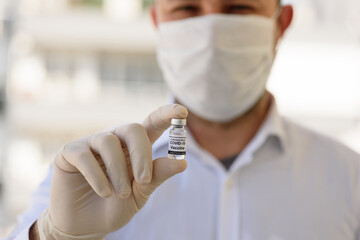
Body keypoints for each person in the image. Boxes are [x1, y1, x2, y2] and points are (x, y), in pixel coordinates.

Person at [6, 0, 360, 239]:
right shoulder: (87, 176)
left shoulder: (349, 179)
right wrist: (52, 235)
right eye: (187, 8)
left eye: (237, 7)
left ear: (280, 24)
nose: (210, 34)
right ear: (157, 20)